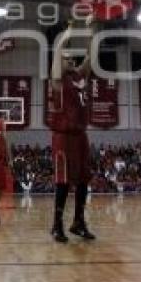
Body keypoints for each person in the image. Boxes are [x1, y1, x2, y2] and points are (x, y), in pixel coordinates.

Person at [49, 16, 96, 243]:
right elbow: (58, 51)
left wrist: (89, 30)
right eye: (66, 57)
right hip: (63, 136)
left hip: (80, 135)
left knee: (84, 180)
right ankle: (56, 225)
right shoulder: (57, 80)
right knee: (63, 181)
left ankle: (78, 221)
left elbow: (90, 55)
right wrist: (68, 31)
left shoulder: (80, 77)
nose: (69, 58)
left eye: (70, 57)